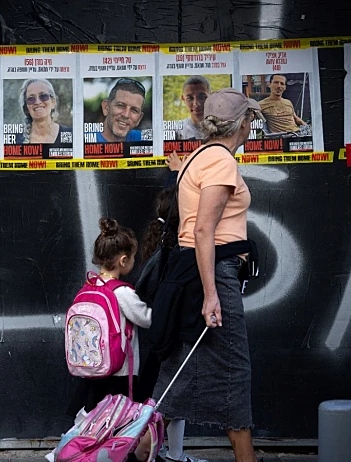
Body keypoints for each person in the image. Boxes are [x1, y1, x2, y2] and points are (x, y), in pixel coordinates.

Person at [152, 88, 260, 462]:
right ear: (242, 123)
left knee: (178, 378)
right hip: (212, 275)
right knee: (235, 370)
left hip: (195, 273)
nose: (252, 126)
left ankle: (137, 449)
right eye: (251, 119)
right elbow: (202, 231)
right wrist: (212, 295)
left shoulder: (199, 156)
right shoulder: (221, 162)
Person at [135, 152, 208, 462]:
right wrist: (180, 175)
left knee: (159, 399)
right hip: (172, 336)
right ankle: (170, 454)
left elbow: (174, 203)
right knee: (172, 400)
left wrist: (177, 174)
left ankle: (159, 451)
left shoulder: (156, 244)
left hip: (153, 338)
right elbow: (181, 204)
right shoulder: (179, 253)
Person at [66, 218, 152, 459]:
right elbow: (146, 319)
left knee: (95, 415)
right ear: (124, 260)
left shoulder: (89, 286)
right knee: (117, 419)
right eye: (132, 258)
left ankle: (85, 450)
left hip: (92, 368)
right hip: (120, 371)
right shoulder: (122, 292)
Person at [15, 78, 72, 144]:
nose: (37, 102)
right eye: (31, 98)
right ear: (26, 108)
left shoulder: (71, 135)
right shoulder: (16, 140)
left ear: (53, 102)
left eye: (43, 96)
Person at [175, 76, 210, 140]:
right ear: (183, 99)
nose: (196, 103)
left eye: (202, 97)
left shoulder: (221, 129)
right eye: (190, 98)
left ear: (211, 96)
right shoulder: (178, 130)